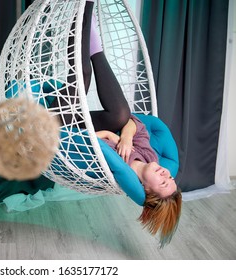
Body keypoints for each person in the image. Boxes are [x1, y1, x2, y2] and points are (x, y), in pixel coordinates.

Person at [51, 0, 182, 247]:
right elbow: (135, 122)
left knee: (84, 79)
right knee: (121, 115)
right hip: (79, 119)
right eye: (170, 178)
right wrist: (125, 137)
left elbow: (85, 143)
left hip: (60, 127)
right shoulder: (148, 155)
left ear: (147, 190)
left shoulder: (117, 174)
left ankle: (83, 13)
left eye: (163, 182)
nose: (166, 172)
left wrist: (109, 136)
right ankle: (85, 18)